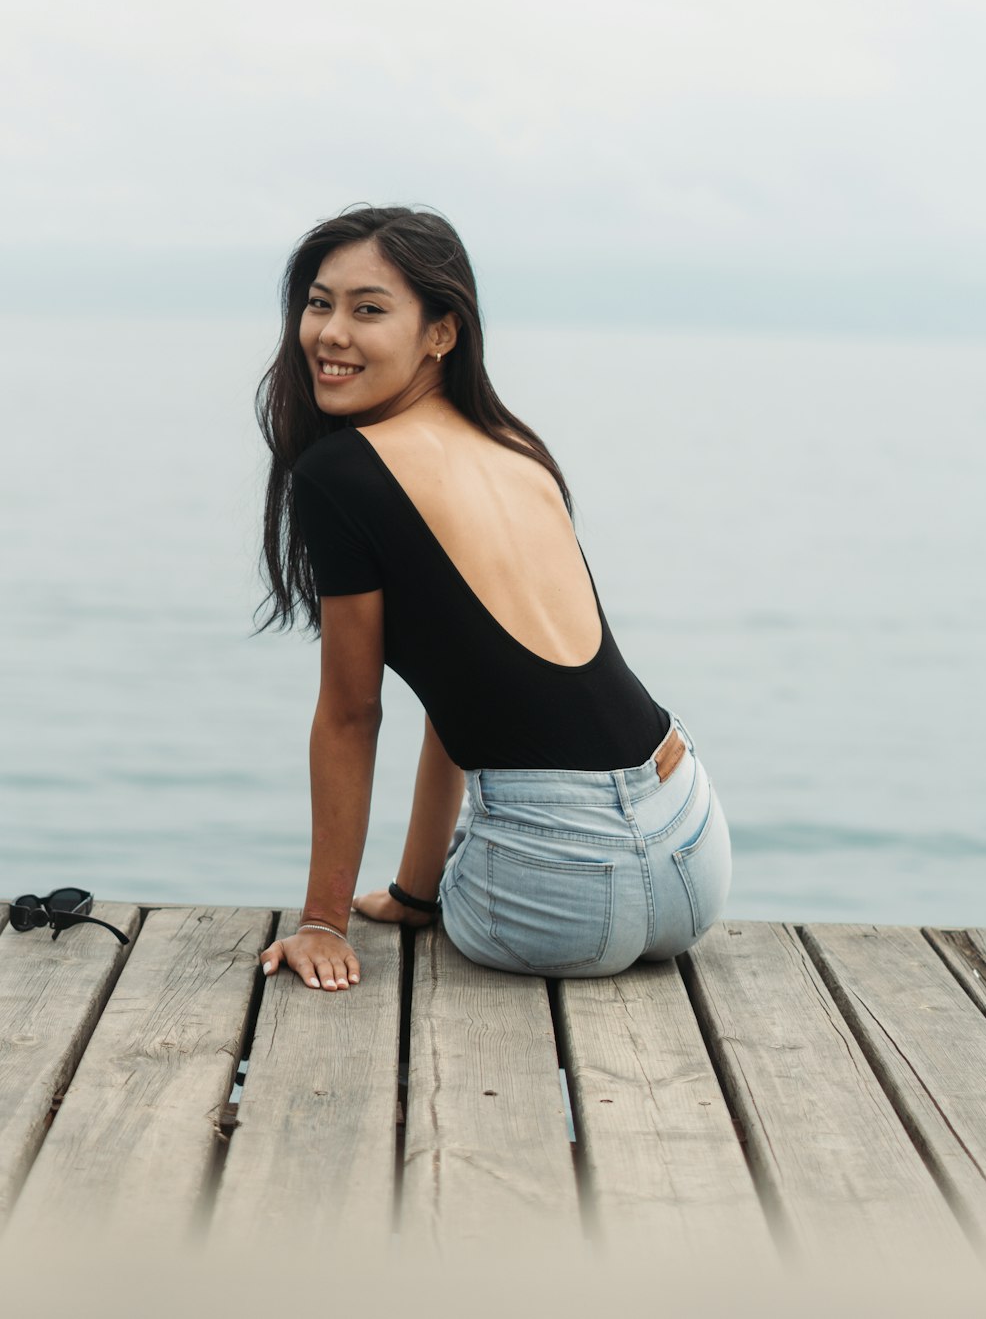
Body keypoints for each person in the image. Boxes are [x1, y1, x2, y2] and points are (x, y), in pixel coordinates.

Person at [255, 204, 732, 993]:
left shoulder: (340, 475)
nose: (330, 333)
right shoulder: (517, 449)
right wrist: (414, 894)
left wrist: (321, 922)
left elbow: (349, 713)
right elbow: (466, 685)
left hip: (564, 893)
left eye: (368, 309)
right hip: (692, 841)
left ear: (441, 333)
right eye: (318, 302)